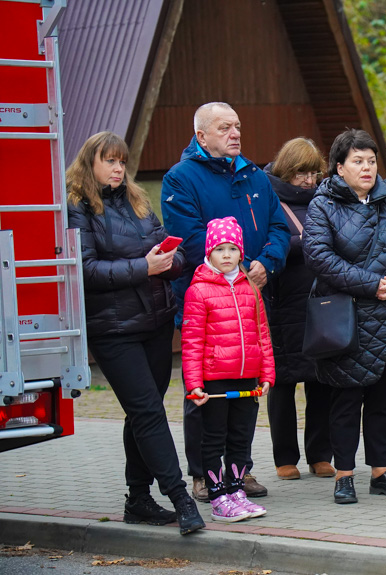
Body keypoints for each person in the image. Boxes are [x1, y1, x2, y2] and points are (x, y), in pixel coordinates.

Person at [66, 131, 204, 535]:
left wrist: (171, 260)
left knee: (142, 413)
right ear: (90, 163)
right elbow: (86, 271)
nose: (117, 168)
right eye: (109, 160)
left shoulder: (138, 201)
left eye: (121, 161)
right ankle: (179, 497)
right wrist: (145, 267)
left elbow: (169, 249)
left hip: (156, 322)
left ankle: (138, 499)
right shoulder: (78, 207)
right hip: (113, 329)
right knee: (148, 411)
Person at [162, 102, 291, 501]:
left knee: (246, 393)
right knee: (205, 395)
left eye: (237, 126)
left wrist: (267, 263)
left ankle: (240, 470)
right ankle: (203, 474)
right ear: (201, 136)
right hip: (206, 305)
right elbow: (189, 237)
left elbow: (279, 227)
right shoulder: (180, 179)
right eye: (224, 128)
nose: (235, 133)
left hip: (251, 299)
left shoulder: (255, 175)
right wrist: (243, 263)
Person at [303, 129, 386, 504]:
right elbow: (320, 257)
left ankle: (381, 472)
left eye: (371, 161)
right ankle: (344, 475)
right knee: (344, 404)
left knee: (382, 401)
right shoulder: (322, 205)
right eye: (358, 161)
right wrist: (373, 284)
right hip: (348, 321)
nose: (367, 167)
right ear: (339, 167)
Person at [183, 217, 274, 521]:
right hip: (215, 380)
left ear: (240, 253)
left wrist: (267, 374)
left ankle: (237, 490)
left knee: (241, 437)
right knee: (213, 438)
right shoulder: (198, 291)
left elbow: (263, 333)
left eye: (232, 248)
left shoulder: (250, 288)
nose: (226, 255)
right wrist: (193, 383)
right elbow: (192, 341)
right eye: (219, 248)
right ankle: (218, 495)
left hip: (248, 377)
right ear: (209, 253)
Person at [263, 138, 335, 480]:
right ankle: (284, 457)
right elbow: (267, 244)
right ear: (285, 170)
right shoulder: (267, 200)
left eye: (313, 173)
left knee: (321, 381)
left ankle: (320, 454)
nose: (308, 180)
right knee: (282, 383)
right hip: (280, 305)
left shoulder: (326, 199)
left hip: (319, 304)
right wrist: (302, 244)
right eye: (301, 173)